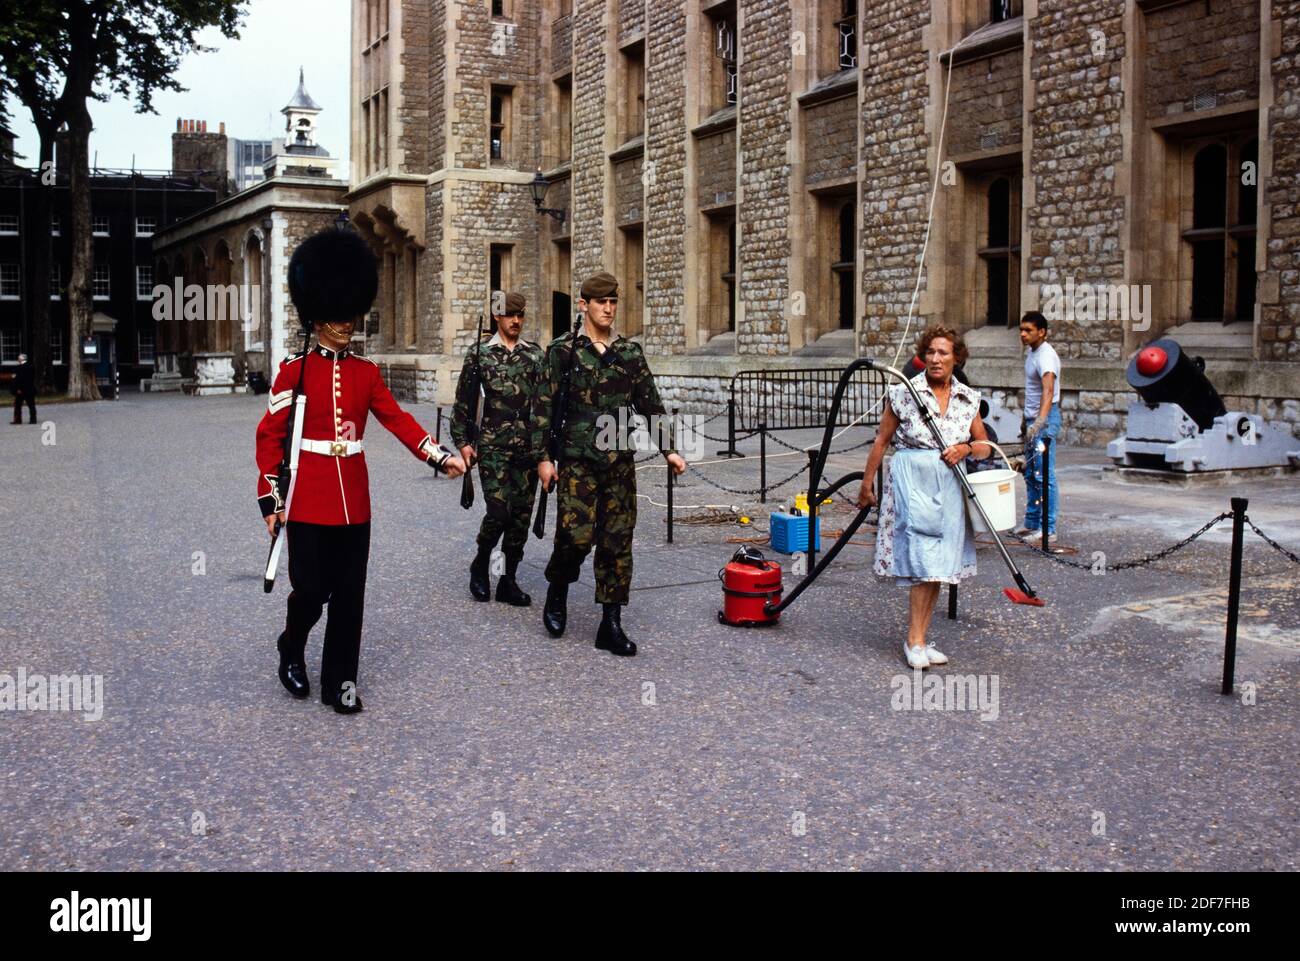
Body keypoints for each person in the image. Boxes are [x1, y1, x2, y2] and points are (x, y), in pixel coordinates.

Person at [255, 228, 466, 714]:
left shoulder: (365, 373)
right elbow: (270, 436)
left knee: (349, 598)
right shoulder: (295, 370)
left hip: (354, 500)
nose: (347, 323)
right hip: (307, 497)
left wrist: (439, 455)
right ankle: (291, 644)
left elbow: (398, 420)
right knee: (310, 590)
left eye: (351, 314)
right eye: (337, 314)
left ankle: (340, 685)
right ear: (316, 315)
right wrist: (271, 498)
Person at [533, 271, 687, 657]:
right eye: (601, 301)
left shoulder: (630, 354)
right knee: (575, 537)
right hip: (577, 459)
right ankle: (558, 588)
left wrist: (669, 449)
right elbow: (543, 408)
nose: (608, 308)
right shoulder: (563, 351)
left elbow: (651, 404)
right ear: (583, 304)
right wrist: (543, 458)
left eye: (613, 301)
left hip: (618, 459)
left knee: (617, 541)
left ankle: (610, 623)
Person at [857, 326, 993, 670]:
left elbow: (984, 445)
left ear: (956, 358)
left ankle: (919, 637)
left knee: (940, 566)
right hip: (913, 481)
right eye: (930, 352)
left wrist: (964, 448)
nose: (935, 359)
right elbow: (881, 441)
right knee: (923, 562)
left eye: (943, 353)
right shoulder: (905, 392)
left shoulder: (967, 398)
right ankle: (914, 641)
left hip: (949, 485)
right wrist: (866, 483)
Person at [450, 291, 544, 606]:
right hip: (493, 446)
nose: (516, 321)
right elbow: (463, 404)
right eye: (509, 316)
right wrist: (463, 443)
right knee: (499, 512)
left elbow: (545, 404)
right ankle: (482, 563)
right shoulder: (479, 354)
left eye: (520, 315)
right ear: (497, 317)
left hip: (527, 449)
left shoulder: (534, 355)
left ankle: (507, 579)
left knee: (519, 519)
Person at [1015, 311, 1061, 541]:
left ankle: (1048, 528)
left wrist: (1040, 422)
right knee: (1031, 474)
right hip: (1032, 419)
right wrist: (1027, 422)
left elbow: (1048, 390)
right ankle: (1032, 522)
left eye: (1028, 330)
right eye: (1021, 330)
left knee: (1044, 475)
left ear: (1041, 332)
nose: (1023, 334)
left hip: (1045, 420)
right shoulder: (1032, 353)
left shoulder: (1046, 356)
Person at [11, 353, 36, 425]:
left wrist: (17, 388)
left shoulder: (17, 368)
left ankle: (18, 420)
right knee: (31, 405)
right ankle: (33, 419)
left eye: (18, 358)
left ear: (20, 359)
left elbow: (17, 380)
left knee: (18, 406)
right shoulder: (31, 367)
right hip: (30, 389)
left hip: (20, 390)